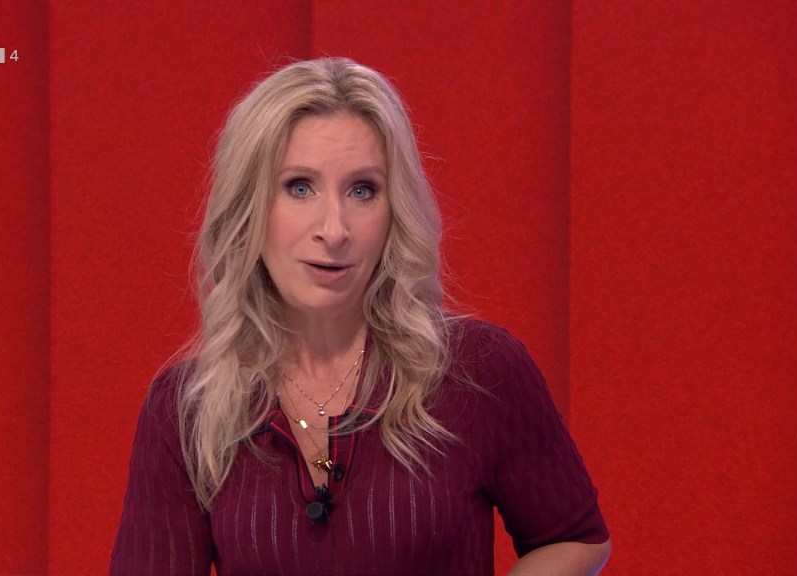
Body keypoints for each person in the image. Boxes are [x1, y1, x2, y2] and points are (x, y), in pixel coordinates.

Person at [110, 57, 610, 575]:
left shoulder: (478, 369)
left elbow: (574, 538)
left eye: (363, 190)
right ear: (248, 207)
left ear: (395, 211)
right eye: (299, 187)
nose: (334, 229)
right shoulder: (187, 409)